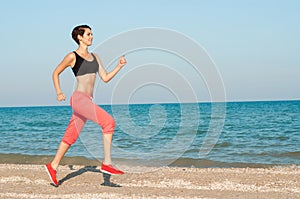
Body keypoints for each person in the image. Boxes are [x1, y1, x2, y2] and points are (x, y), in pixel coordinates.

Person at [45, 25, 126, 187]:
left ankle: (52, 166)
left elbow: (105, 78)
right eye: (88, 34)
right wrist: (59, 92)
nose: (91, 37)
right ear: (79, 37)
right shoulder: (72, 56)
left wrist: (119, 66)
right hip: (79, 99)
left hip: (87, 100)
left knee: (71, 136)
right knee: (108, 122)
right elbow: (55, 72)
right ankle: (107, 162)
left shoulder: (95, 57)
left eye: (92, 34)